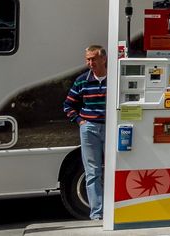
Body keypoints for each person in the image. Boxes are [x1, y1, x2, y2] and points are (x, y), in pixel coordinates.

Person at [63, 45, 107, 220]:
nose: (90, 63)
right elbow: (68, 104)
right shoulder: (82, 80)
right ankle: (97, 213)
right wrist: (81, 122)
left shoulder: (116, 78)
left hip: (110, 127)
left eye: (93, 59)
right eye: (88, 59)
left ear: (103, 59)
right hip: (89, 128)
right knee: (92, 172)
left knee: (115, 169)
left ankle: (116, 209)